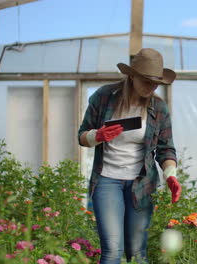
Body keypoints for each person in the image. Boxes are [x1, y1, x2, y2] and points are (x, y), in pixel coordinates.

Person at [78, 48, 182, 264]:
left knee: (136, 251)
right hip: (107, 179)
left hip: (141, 184)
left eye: (156, 82)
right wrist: (97, 135)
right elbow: (81, 136)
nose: (152, 87)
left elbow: (166, 149)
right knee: (112, 249)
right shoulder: (104, 97)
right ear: (132, 75)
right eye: (146, 80)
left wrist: (171, 174)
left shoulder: (159, 107)